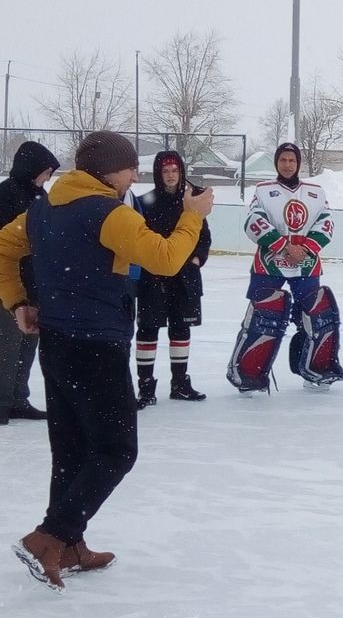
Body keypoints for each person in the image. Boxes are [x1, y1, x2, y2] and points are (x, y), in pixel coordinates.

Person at [0, 130, 214, 591]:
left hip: (57, 344)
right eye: (128, 167)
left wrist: (18, 301)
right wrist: (192, 218)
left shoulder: (44, 208)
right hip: (95, 345)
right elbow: (164, 258)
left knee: (72, 451)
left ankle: (70, 544)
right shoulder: (108, 212)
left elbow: (2, 247)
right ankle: (49, 537)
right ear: (107, 171)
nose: (134, 174)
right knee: (117, 450)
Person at [227, 142, 343, 393]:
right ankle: (249, 374)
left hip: (306, 264)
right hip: (269, 264)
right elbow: (253, 221)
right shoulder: (263, 189)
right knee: (262, 319)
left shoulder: (316, 193)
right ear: (276, 163)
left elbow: (326, 224)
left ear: (298, 163)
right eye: (283, 160)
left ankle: (314, 371)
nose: (288, 165)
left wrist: (305, 249)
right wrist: (283, 246)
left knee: (313, 320)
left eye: (292, 160)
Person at [134, 150, 212, 408]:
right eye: (165, 171)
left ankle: (180, 383)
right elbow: (138, 238)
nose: (170, 176)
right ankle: (145, 387)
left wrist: (196, 260)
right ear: (158, 173)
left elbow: (203, 236)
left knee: (181, 327)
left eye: (174, 171)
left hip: (184, 277)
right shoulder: (144, 202)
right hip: (152, 277)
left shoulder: (192, 201)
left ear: (181, 172)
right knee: (148, 329)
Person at [0, 141, 59, 425]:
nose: (47, 178)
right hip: (10, 286)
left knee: (28, 342)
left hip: (37, 283)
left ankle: (18, 398)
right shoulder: (5, 194)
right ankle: (2, 401)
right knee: (8, 345)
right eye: (45, 172)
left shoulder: (42, 198)